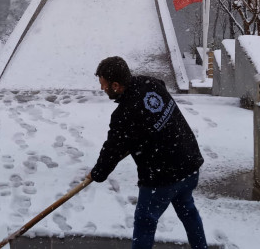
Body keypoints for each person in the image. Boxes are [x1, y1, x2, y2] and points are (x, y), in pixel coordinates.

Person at [88, 57, 207, 249]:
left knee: (145, 222)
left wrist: (97, 173)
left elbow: (111, 150)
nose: (102, 89)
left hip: (162, 177)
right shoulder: (150, 82)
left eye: (104, 84)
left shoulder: (124, 115)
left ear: (116, 85)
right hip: (189, 162)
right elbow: (153, 101)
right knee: (188, 211)